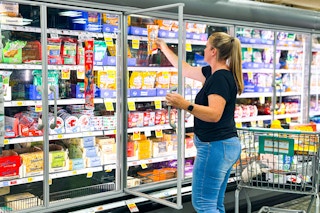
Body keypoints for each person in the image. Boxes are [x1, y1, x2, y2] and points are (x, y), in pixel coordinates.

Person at [156, 32, 243, 213]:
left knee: (203, 204)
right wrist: (163, 46)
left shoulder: (219, 78)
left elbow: (214, 114)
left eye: (206, 46)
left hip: (216, 146)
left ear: (213, 51)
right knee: (215, 204)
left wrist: (184, 104)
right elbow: (185, 69)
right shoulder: (213, 73)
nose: (203, 49)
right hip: (223, 145)